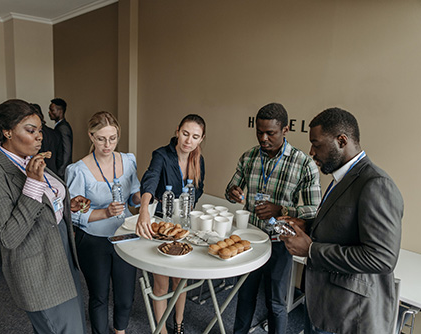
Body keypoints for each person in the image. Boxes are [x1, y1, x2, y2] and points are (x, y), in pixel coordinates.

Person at [280, 108, 403, 334]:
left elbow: (382, 258)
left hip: (347, 314)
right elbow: (342, 223)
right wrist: (307, 225)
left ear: (341, 140)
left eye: (316, 145)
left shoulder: (376, 184)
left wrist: (311, 250)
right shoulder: (341, 176)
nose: (311, 152)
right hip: (322, 303)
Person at [0, 99, 90, 333]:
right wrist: (32, 185)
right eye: (30, 131)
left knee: (75, 324)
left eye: (39, 130)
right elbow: (8, 236)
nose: (40, 137)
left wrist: (66, 204)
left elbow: (45, 201)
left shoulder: (29, 159)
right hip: (39, 268)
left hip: (62, 254)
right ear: (7, 132)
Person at [225, 103, 321, 334]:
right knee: (245, 295)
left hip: (281, 243)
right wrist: (233, 192)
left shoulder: (304, 164)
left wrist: (282, 210)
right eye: (259, 132)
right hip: (250, 240)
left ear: (285, 130)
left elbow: (314, 211)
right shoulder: (248, 157)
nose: (264, 138)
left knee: (276, 302)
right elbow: (231, 188)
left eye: (271, 133)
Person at [66, 111, 141, 334]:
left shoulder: (128, 160)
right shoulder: (79, 170)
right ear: (91, 136)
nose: (107, 144)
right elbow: (75, 214)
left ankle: (120, 331)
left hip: (125, 236)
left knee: (126, 296)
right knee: (99, 296)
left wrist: (143, 198)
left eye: (113, 138)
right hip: (93, 239)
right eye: (101, 138)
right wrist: (105, 213)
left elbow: (135, 193)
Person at [136, 114, 206, 334]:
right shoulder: (162, 155)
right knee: (162, 282)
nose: (188, 140)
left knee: (180, 281)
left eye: (195, 136)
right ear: (177, 131)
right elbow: (151, 179)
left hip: (183, 227)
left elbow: (199, 188)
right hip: (162, 226)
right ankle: (161, 330)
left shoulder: (198, 159)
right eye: (185, 134)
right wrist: (144, 210)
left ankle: (178, 324)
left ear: (201, 139)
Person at [31, 103, 63, 175]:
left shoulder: (32, 135)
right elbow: (60, 158)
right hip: (54, 172)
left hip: (37, 171)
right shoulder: (55, 133)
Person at [49, 98, 72, 179]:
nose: (49, 112)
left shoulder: (63, 128)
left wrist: (61, 170)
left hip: (62, 170)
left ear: (60, 111)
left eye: (52, 110)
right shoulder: (60, 126)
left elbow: (67, 150)